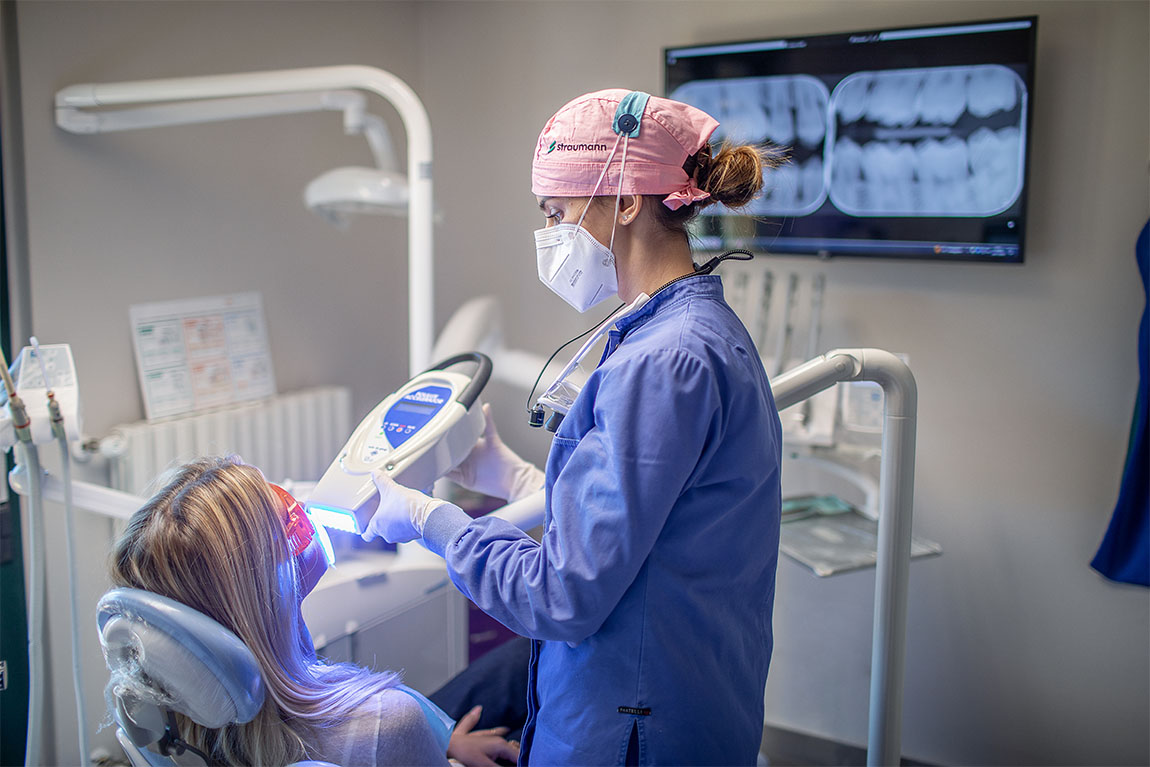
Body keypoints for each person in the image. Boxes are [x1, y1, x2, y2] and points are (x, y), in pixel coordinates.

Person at [363, 88, 783, 765]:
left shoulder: (665, 361)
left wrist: (431, 520)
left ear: (624, 201)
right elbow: (645, 523)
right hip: (673, 692)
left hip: (633, 723)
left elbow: (562, 595)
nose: (550, 234)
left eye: (556, 213)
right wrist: (515, 477)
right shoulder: (690, 335)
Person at [109, 456, 520, 767]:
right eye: (284, 518)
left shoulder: (171, 719)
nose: (300, 511)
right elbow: (389, 731)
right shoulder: (388, 723)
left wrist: (443, 740)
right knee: (530, 659)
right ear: (259, 590)